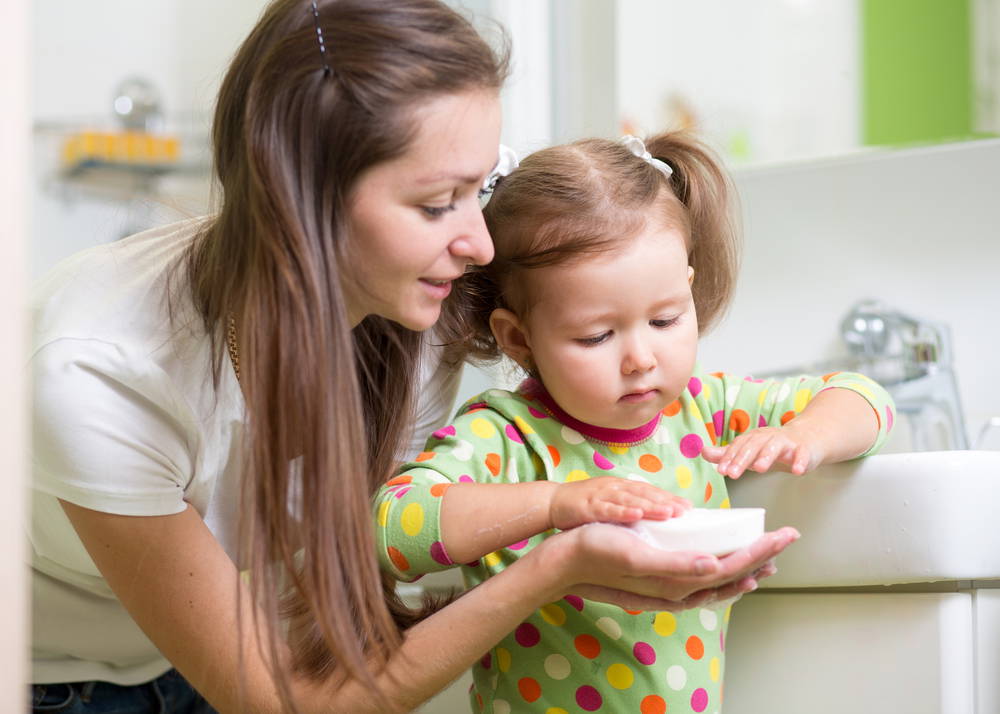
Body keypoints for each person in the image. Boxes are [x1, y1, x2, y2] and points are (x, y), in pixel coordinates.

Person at [29, 2, 799, 712]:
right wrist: (553, 566)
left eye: (482, 186)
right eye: (438, 204)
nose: (480, 244)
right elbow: (279, 701)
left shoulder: (412, 311)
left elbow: (345, 597)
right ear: (302, 198)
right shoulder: (102, 375)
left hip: (242, 651)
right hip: (56, 678)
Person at [375, 132, 895, 714]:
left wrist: (804, 436)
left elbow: (864, 397)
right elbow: (389, 527)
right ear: (519, 339)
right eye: (597, 335)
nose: (641, 358)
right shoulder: (506, 436)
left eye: (666, 319)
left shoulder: (702, 409)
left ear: (689, 293)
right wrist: (554, 504)